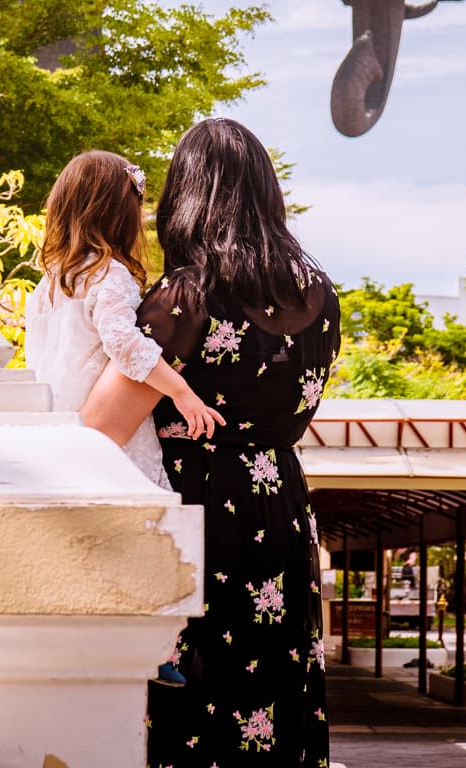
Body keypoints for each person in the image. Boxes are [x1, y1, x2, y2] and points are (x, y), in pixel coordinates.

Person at [82, 118, 341, 766]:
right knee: (275, 693)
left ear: (188, 199)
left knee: (196, 702)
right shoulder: (322, 297)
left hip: (199, 515)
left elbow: (99, 430)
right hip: (280, 507)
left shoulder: (184, 298)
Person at [25, 149, 226, 684]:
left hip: (60, 427)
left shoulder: (49, 283)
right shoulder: (110, 276)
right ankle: (153, 642)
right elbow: (122, 342)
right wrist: (181, 390)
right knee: (144, 518)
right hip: (112, 427)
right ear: (119, 212)